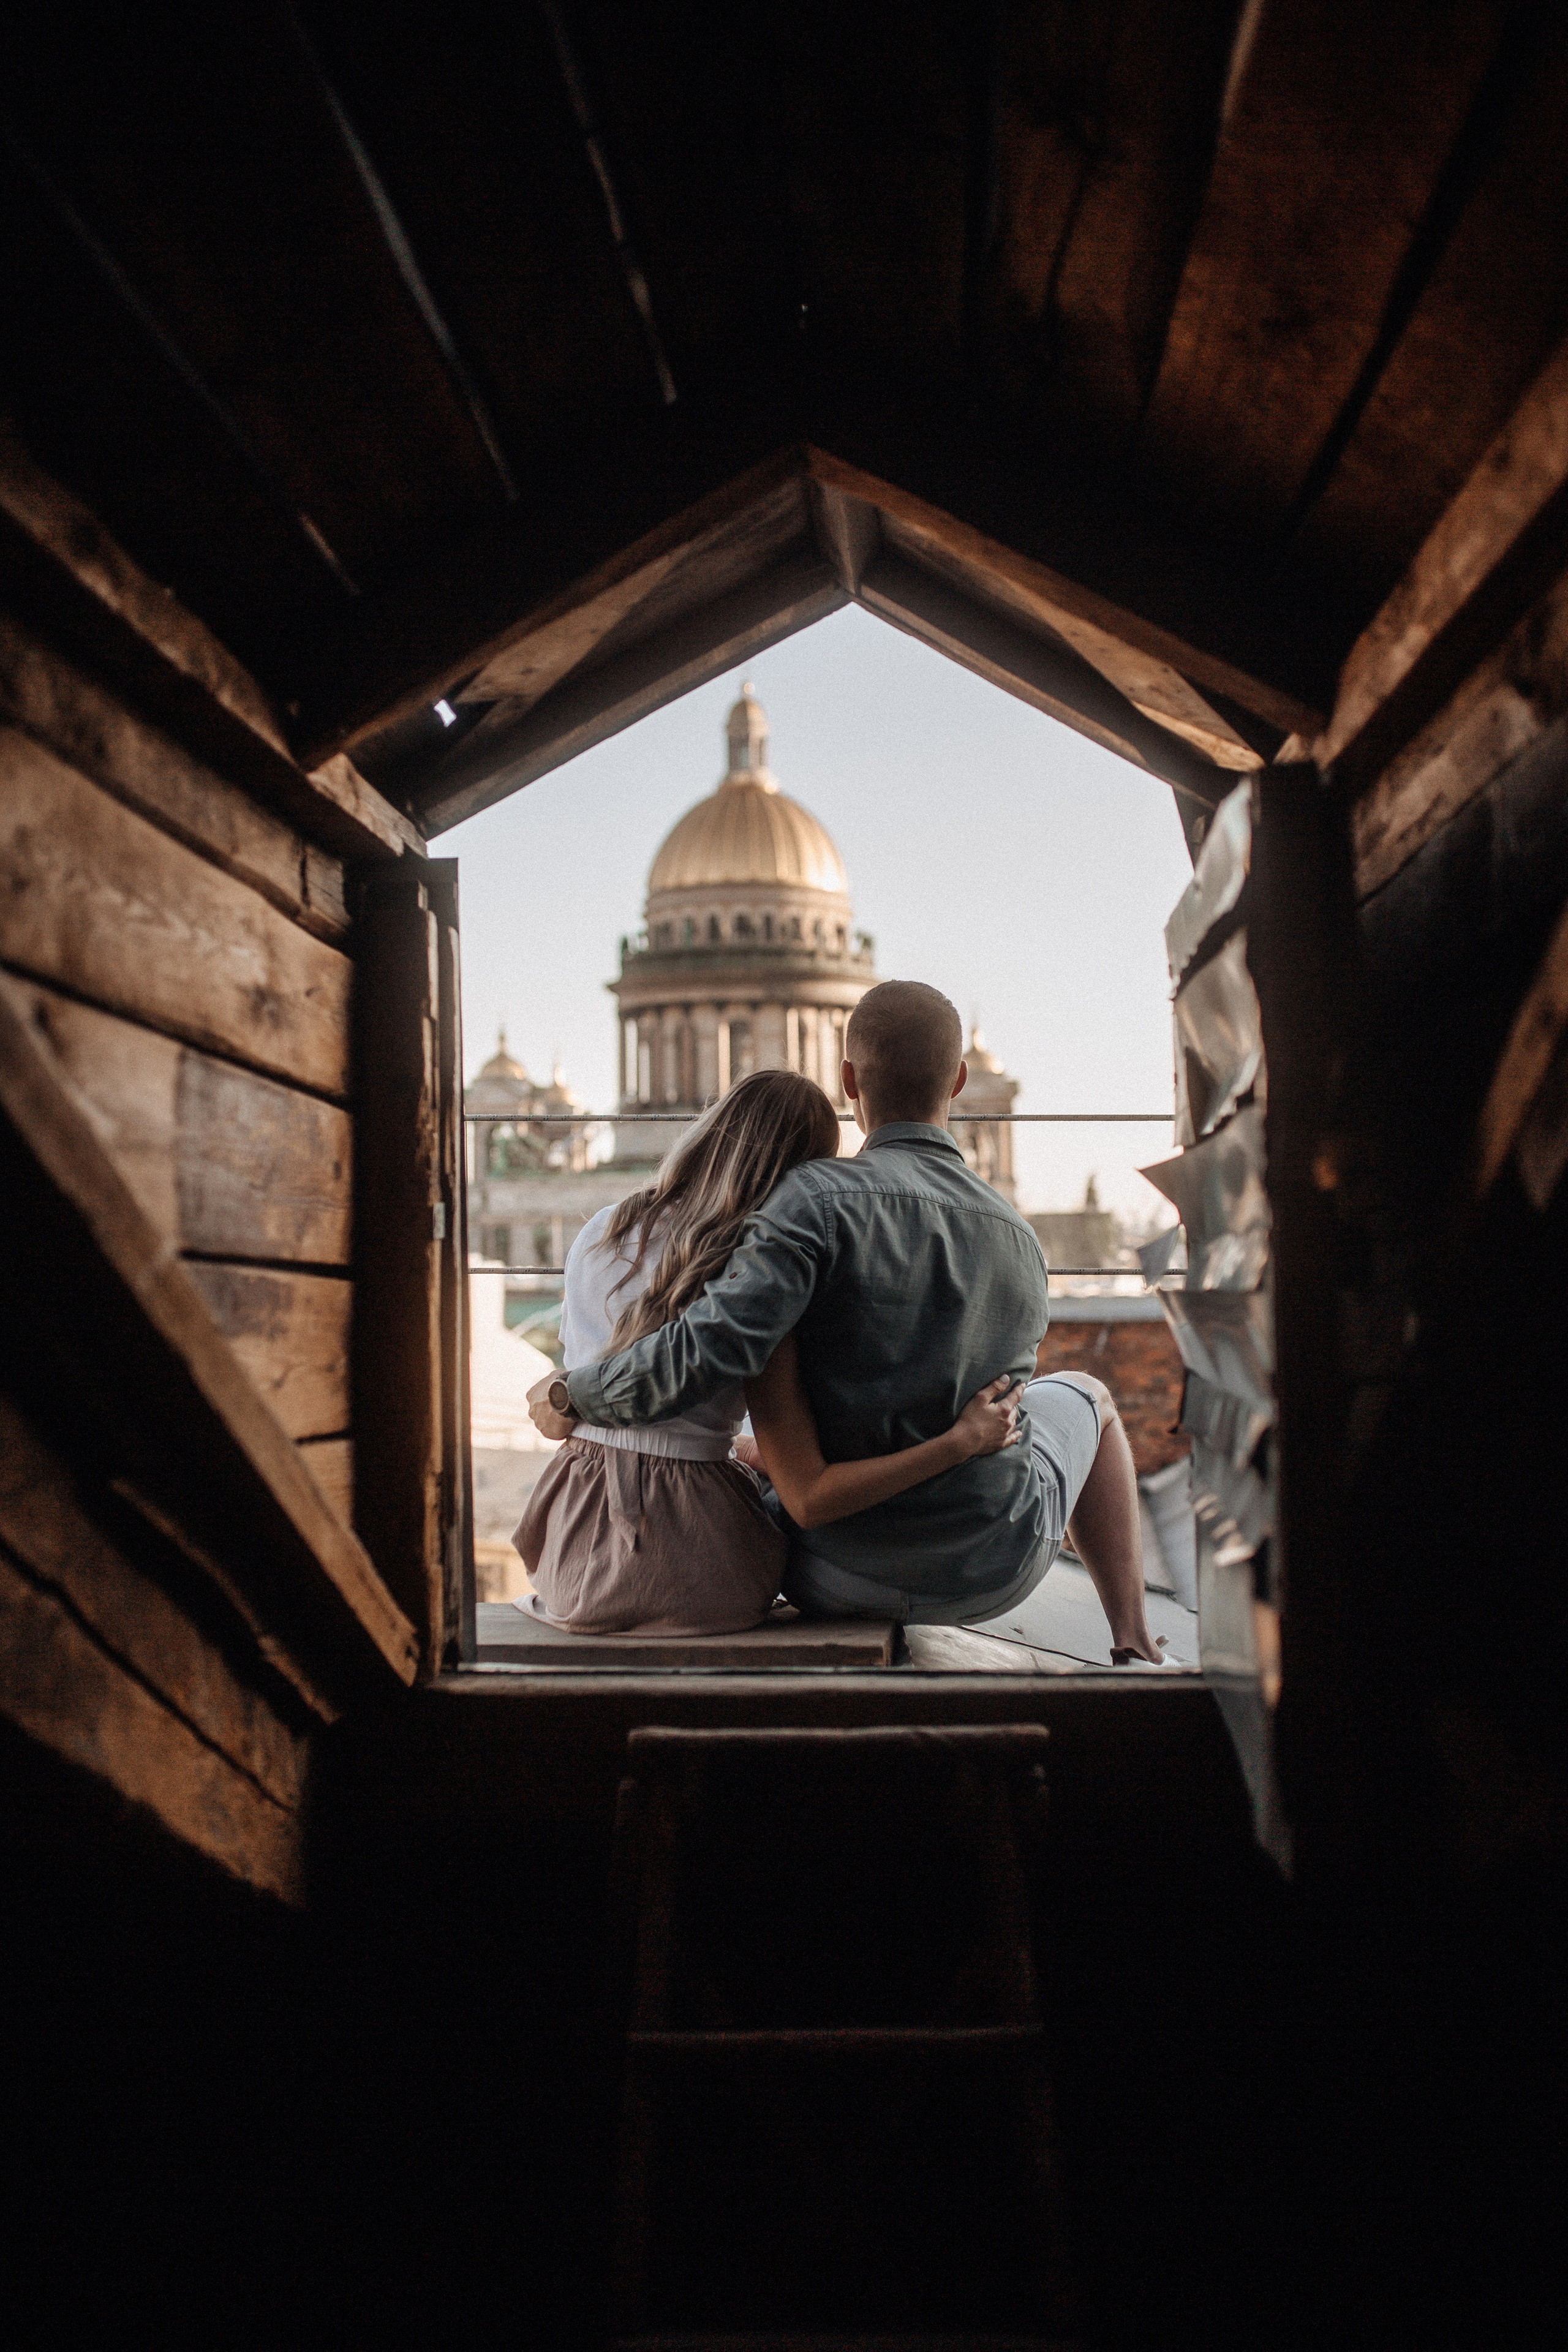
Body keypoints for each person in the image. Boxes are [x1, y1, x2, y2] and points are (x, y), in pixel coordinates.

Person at [531, 980, 1170, 1662]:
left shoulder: (807, 1203)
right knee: (1087, 1397)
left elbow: (710, 1349)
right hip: (994, 1569)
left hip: (830, 1573)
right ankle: (1132, 1637)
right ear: (957, 1081)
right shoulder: (1019, 1234)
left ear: (848, 1081)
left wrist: (576, 1393)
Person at [516, 1068, 1025, 1636]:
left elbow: (587, 1372)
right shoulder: (761, 1275)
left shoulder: (602, 1230)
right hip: (705, 1577)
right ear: (806, 1175)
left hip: (574, 1545)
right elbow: (800, 1481)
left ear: (713, 1126)